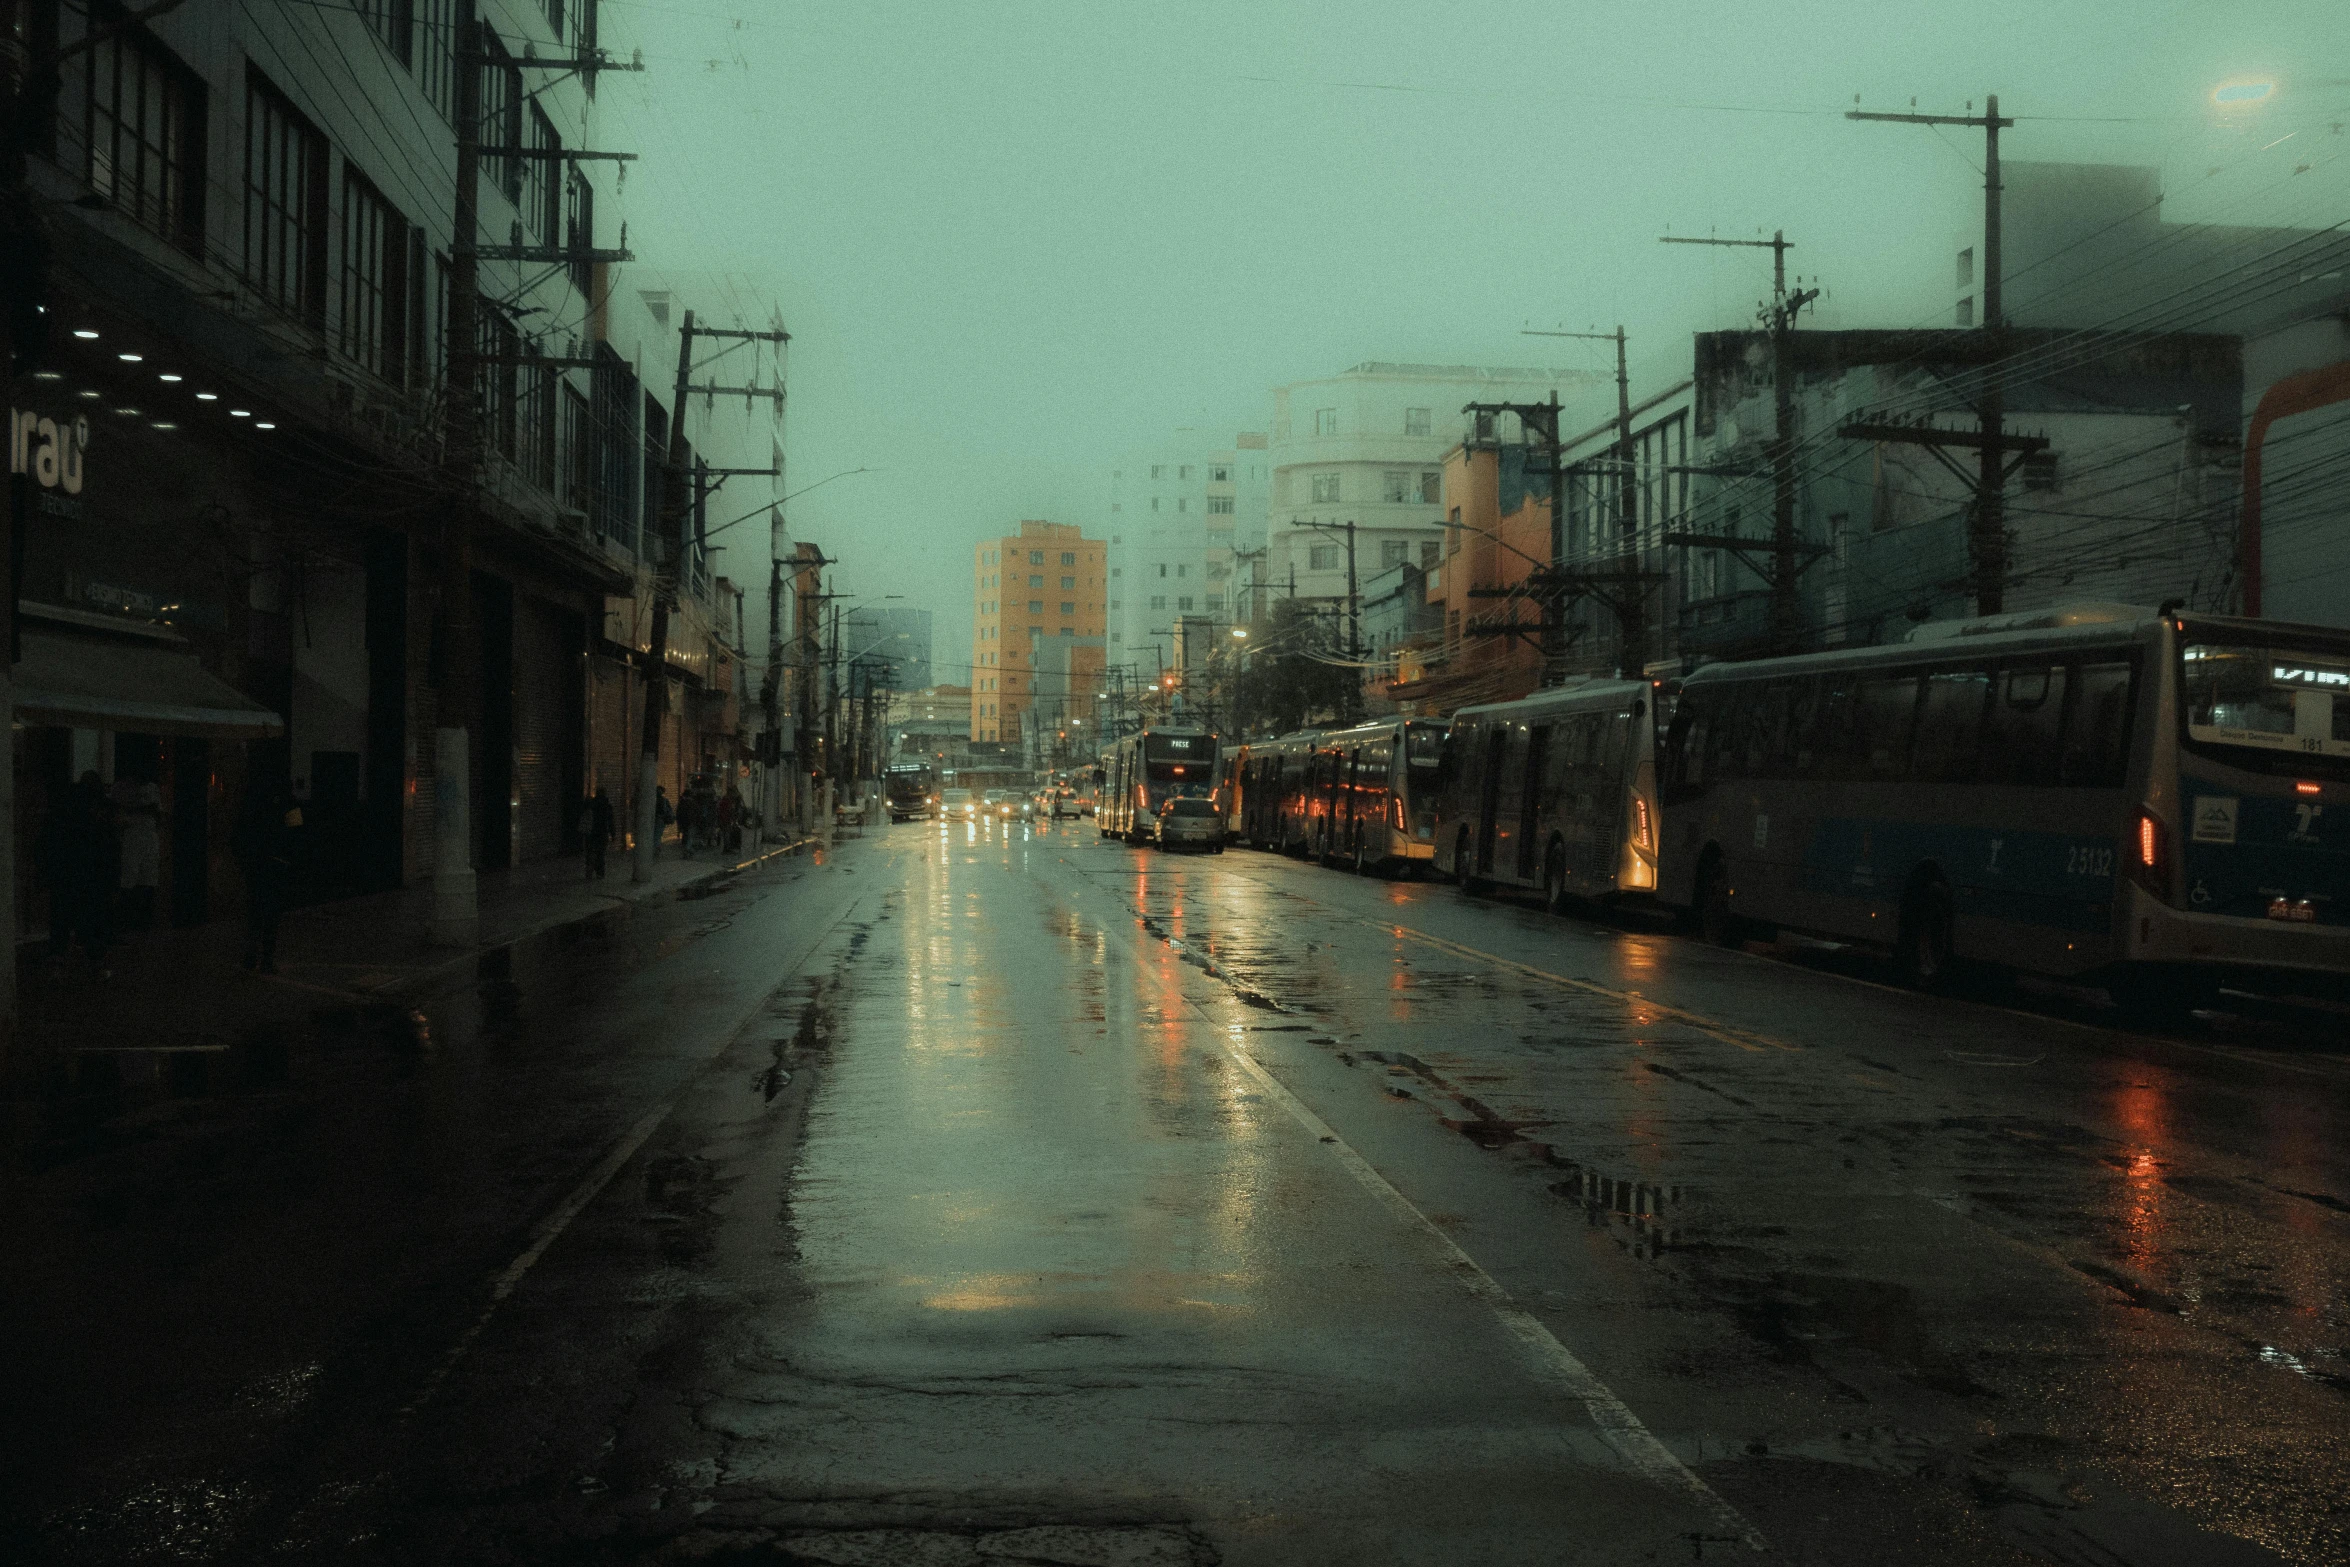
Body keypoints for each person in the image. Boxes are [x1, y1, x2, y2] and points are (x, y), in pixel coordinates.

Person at [38, 773, 114, 974]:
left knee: (61, 919)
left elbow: (46, 844)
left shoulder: (61, 812)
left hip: (64, 873)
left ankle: (57, 961)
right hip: (88, 874)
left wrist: (45, 874)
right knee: (90, 918)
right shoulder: (94, 815)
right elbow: (105, 849)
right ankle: (96, 961)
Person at [232, 776, 297, 974]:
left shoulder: (253, 802)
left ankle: (250, 956)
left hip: (256, 862)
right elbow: (296, 832)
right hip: (277, 863)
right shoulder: (289, 802)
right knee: (271, 914)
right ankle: (267, 959)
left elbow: (241, 830)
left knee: (254, 911)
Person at [111, 772, 163, 930]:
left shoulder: (152, 788)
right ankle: (128, 918)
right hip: (131, 835)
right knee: (130, 875)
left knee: (148, 876)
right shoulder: (121, 788)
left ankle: (141, 918)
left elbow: (157, 813)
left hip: (147, 835)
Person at [579, 787, 616, 879]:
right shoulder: (607, 806)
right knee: (601, 854)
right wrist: (613, 834)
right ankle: (600, 872)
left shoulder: (591, 804)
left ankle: (589, 870)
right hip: (602, 833)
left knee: (590, 852)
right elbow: (610, 822)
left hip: (591, 833)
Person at [655, 787, 674, 856]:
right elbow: (668, 810)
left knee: (656, 835)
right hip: (661, 819)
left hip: (656, 819)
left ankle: (656, 849)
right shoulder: (664, 800)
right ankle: (657, 849)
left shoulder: (652, 800)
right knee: (657, 835)